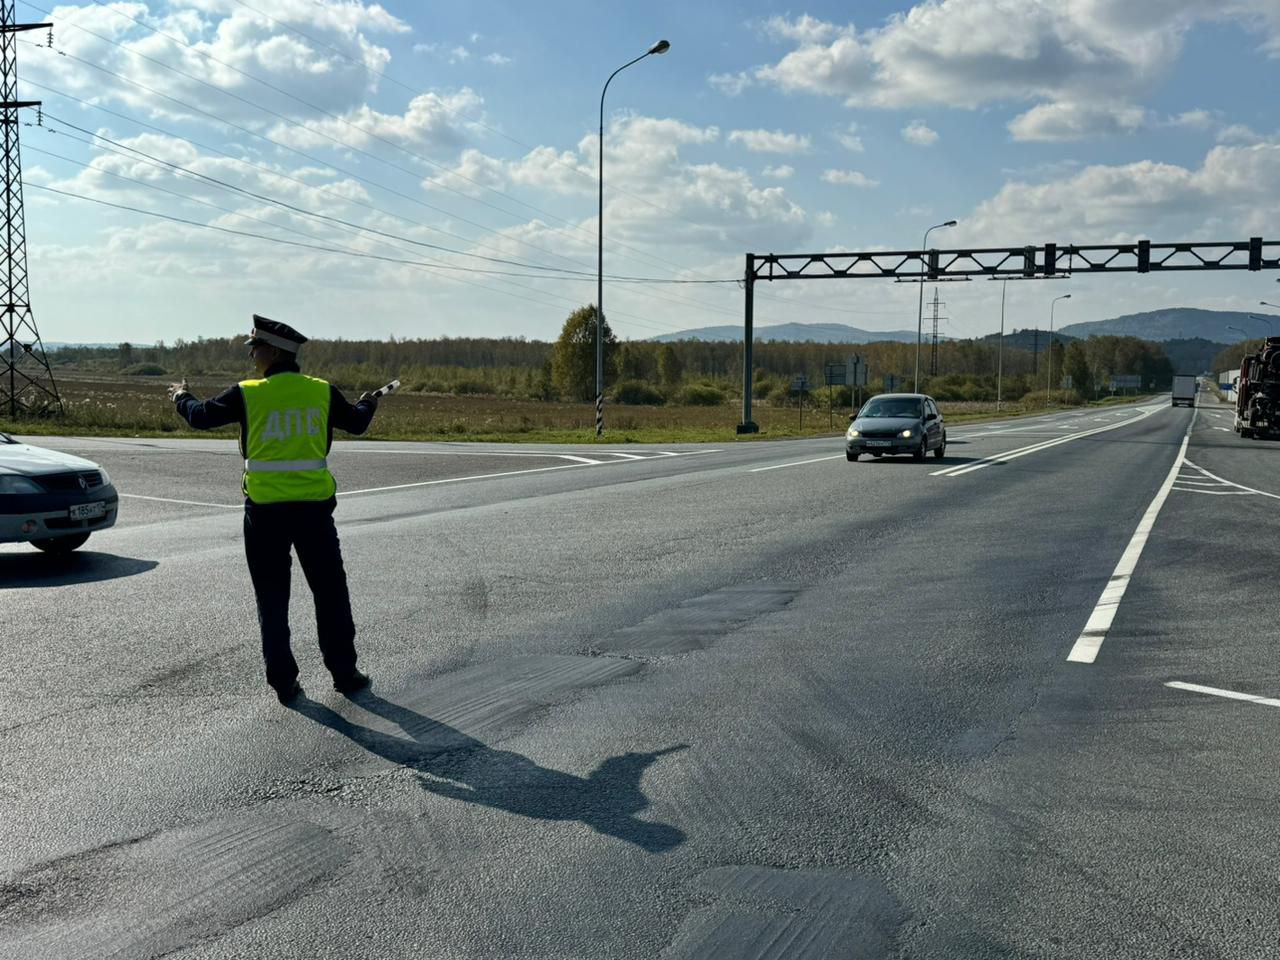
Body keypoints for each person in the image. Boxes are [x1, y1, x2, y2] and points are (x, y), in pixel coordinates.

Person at [168, 315, 380, 703]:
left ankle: (283, 681)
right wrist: (368, 402)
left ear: (275, 352)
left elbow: (201, 417)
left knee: (271, 596)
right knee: (330, 593)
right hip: (314, 513)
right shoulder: (321, 391)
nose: (253, 358)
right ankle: (345, 673)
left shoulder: (248, 393)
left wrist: (181, 396)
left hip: (264, 514)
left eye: (257, 350)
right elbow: (358, 423)